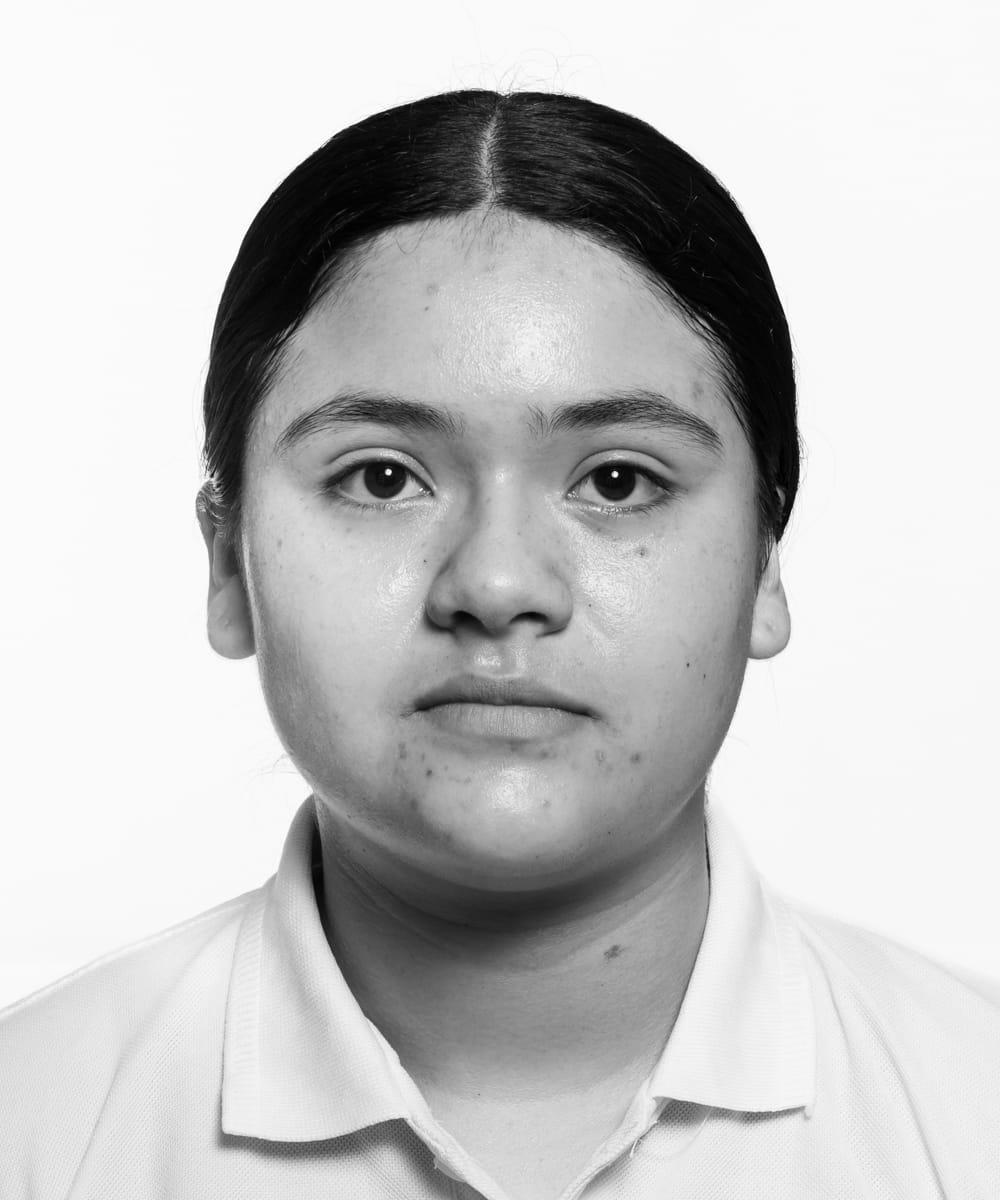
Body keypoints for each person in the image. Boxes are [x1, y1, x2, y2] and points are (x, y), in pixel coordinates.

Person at [1, 88, 997, 1200]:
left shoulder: (973, 1112)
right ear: (228, 561)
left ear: (765, 559)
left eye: (616, 481)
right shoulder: (31, 1128)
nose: (496, 585)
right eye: (383, 477)